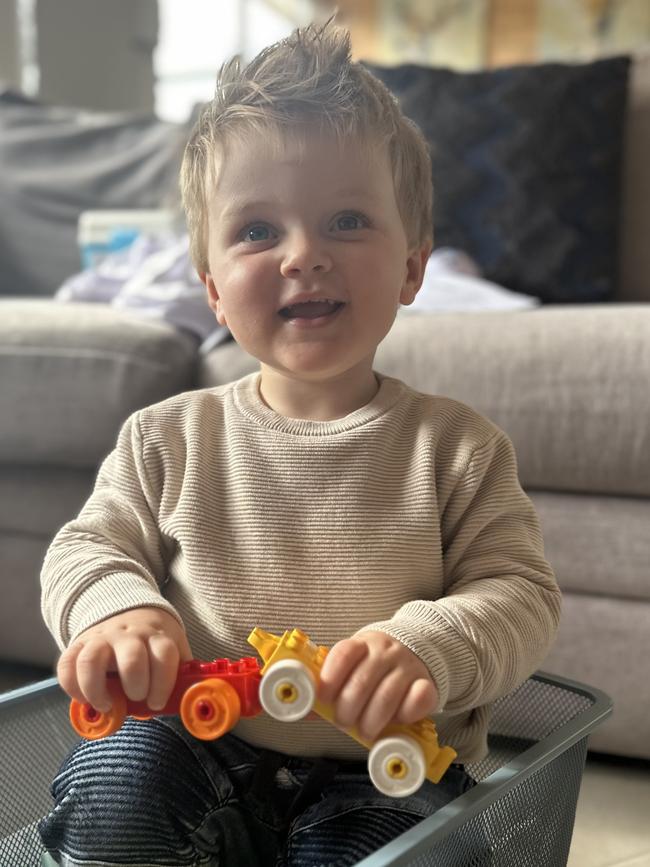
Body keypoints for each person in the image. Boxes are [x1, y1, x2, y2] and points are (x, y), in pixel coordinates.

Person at [38, 21, 561, 867]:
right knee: (111, 780)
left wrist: (430, 645)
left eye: (347, 220)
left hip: (385, 771)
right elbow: (88, 545)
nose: (304, 256)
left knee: (425, 850)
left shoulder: (457, 447)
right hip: (197, 747)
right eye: (255, 231)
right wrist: (119, 610)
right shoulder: (165, 436)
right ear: (210, 286)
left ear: (412, 267)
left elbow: (521, 593)